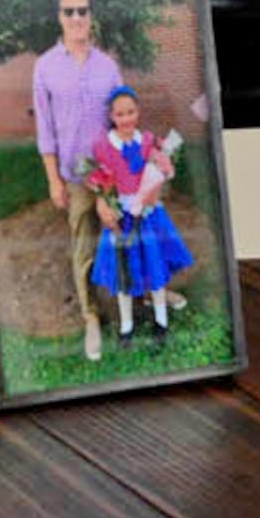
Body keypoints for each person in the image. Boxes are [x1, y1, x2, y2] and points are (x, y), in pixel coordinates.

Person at [28, 0, 130, 362]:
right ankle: (91, 315)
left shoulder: (108, 66)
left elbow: (122, 120)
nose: (76, 18)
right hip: (75, 176)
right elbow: (45, 130)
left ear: (91, 16)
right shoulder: (45, 67)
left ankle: (139, 299)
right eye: (69, 12)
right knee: (84, 247)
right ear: (59, 17)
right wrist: (54, 178)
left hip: (112, 173)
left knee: (126, 236)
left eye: (82, 11)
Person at [81, 88, 196, 338]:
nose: (126, 119)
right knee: (125, 270)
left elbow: (158, 168)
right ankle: (126, 325)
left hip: (149, 215)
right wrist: (104, 200)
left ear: (138, 112)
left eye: (131, 112)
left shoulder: (146, 141)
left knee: (154, 264)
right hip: (122, 217)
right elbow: (99, 179)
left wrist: (160, 176)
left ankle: (161, 321)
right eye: (120, 114)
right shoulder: (103, 147)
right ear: (112, 116)